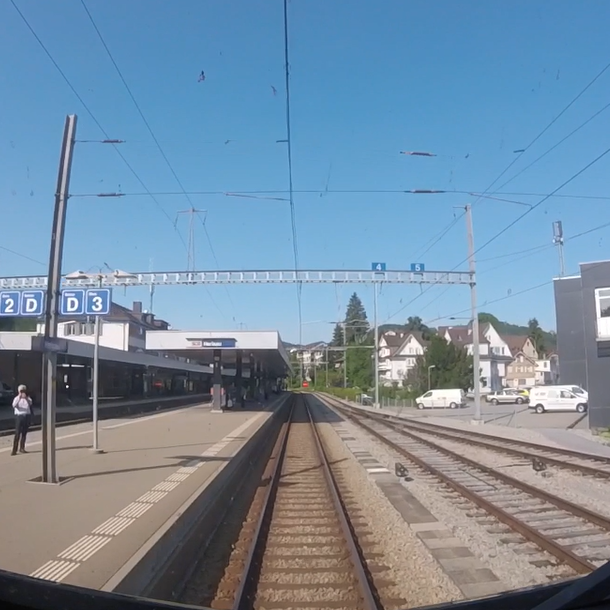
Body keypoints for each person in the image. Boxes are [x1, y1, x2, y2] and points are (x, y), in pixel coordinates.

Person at [12, 384, 32, 456]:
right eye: (21, 391)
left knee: (24, 433)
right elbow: (14, 405)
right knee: (17, 433)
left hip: (26, 416)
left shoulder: (28, 398)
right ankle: (14, 450)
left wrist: (26, 398)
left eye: (24, 391)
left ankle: (22, 448)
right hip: (19, 416)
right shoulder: (16, 398)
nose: (23, 392)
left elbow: (30, 404)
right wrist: (19, 397)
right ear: (19, 391)